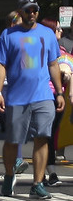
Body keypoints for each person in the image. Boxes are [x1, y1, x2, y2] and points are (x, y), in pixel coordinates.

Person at [0, 0, 64, 199]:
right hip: (17, 97)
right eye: (28, 10)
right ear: (20, 12)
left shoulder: (48, 34)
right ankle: (9, 176)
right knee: (13, 141)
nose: (32, 13)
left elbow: (53, 64)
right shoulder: (8, 35)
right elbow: (0, 64)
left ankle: (37, 183)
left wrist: (59, 92)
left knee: (42, 139)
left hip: (43, 95)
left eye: (35, 10)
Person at [0, 11, 27, 172]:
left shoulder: (26, 42)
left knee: (20, 125)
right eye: (20, 23)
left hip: (22, 87)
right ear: (12, 24)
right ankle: (16, 160)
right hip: (6, 87)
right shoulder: (0, 44)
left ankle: (13, 161)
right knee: (14, 124)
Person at [40, 17, 66, 186]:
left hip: (58, 95)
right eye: (57, 29)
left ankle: (45, 171)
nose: (61, 31)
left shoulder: (62, 50)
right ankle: (48, 171)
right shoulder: (40, 48)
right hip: (43, 94)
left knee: (50, 135)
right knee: (45, 135)